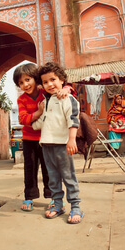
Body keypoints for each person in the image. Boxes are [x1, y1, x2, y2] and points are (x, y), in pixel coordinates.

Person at [13, 63, 71, 213]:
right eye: (21, 82)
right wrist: (38, 113)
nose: (25, 85)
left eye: (28, 79)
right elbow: (24, 120)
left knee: (49, 169)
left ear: (35, 79)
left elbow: (61, 90)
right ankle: (29, 197)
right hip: (28, 139)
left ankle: (53, 197)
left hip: (46, 138)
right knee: (30, 168)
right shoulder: (21, 100)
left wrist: (66, 89)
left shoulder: (44, 93)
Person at [32, 62, 84, 224]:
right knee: (52, 178)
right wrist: (33, 122)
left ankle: (75, 206)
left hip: (63, 144)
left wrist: (71, 139)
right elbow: (43, 121)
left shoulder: (67, 98)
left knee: (68, 176)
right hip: (47, 145)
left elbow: (73, 119)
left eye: (53, 80)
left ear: (62, 80)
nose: (49, 84)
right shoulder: (47, 100)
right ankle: (58, 204)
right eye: (45, 82)